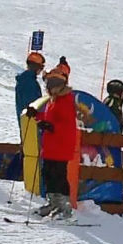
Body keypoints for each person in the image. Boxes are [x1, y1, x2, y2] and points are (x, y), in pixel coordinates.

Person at [35, 66, 81, 216]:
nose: (48, 88)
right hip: (51, 146)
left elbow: (66, 124)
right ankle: (53, 203)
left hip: (61, 146)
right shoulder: (54, 100)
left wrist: (50, 126)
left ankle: (64, 208)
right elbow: (51, 119)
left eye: (50, 85)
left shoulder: (65, 100)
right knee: (48, 174)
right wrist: (37, 116)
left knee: (58, 175)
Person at [14, 49, 45, 117]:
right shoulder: (29, 83)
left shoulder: (26, 79)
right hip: (30, 123)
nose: (41, 70)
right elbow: (33, 106)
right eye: (41, 67)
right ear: (36, 67)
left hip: (27, 122)